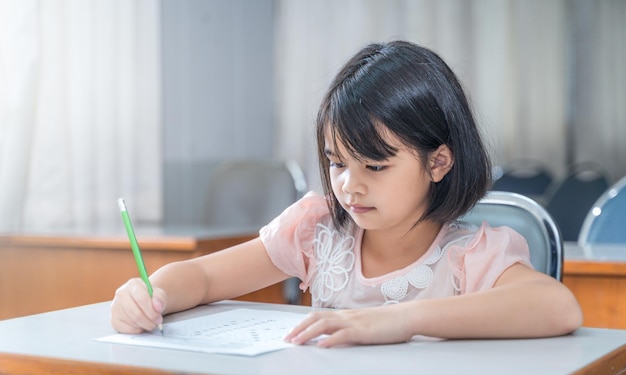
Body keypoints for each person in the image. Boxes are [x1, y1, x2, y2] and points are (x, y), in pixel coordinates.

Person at [111, 40, 582, 347]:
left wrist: (403, 320)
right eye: (337, 162)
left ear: (438, 162)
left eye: (375, 165)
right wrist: (152, 295)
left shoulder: (469, 256)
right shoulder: (318, 233)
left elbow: (557, 306)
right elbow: (205, 278)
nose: (348, 185)